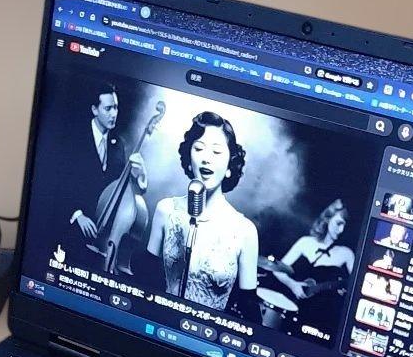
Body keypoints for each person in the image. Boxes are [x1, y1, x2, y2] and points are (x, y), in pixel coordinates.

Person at [146, 111, 258, 316]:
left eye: (217, 152)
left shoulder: (245, 231)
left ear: (229, 166)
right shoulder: (166, 209)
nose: (207, 159)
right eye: (199, 149)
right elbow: (145, 278)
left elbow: (249, 309)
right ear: (189, 160)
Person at [62, 84, 147, 267]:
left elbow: (123, 191)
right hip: (73, 228)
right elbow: (60, 181)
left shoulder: (119, 144)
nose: (113, 114)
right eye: (108, 108)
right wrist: (78, 215)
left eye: (116, 108)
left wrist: (140, 175)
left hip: (102, 236)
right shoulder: (74, 138)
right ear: (95, 109)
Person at [267, 199, 354, 333]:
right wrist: (293, 285)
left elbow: (356, 288)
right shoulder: (305, 242)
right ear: (327, 218)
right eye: (338, 223)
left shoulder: (346, 253)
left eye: (345, 226)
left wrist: (345, 292)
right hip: (291, 309)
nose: (341, 230)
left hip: (321, 318)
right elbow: (277, 270)